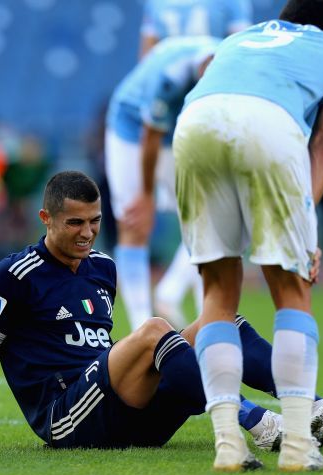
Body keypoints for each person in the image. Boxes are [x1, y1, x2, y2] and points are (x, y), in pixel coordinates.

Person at [0, 171, 323, 457]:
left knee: (219, 323)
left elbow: (116, 355)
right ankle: (259, 423)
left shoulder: (102, 268)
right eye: (75, 223)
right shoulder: (13, 276)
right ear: (45, 220)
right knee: (156, 329)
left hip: (126, 411)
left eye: (94, 221)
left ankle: (311, 407)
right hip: (67, 416)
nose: (88, 233)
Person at [173, 0, 323, 471]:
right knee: (290, 290)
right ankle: (297, 445)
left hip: (195, 122)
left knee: (217, 295)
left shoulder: (243, 37)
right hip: (270, 123)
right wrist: (307, 229)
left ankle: (228, 447)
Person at [106, 36, 217, 330]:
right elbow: (151, 135)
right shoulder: (170, 77)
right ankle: (142, 326)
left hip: (179, 129)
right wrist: (146, 195)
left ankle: (170, 293)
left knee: (208, 221)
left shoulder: (228, 65)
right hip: (132, 124)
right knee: (133, 221)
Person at [139, 0, 251, 58]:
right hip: (169, 82)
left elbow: (239, 49)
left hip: (209, 73)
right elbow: (147, 55)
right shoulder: (154, 2)